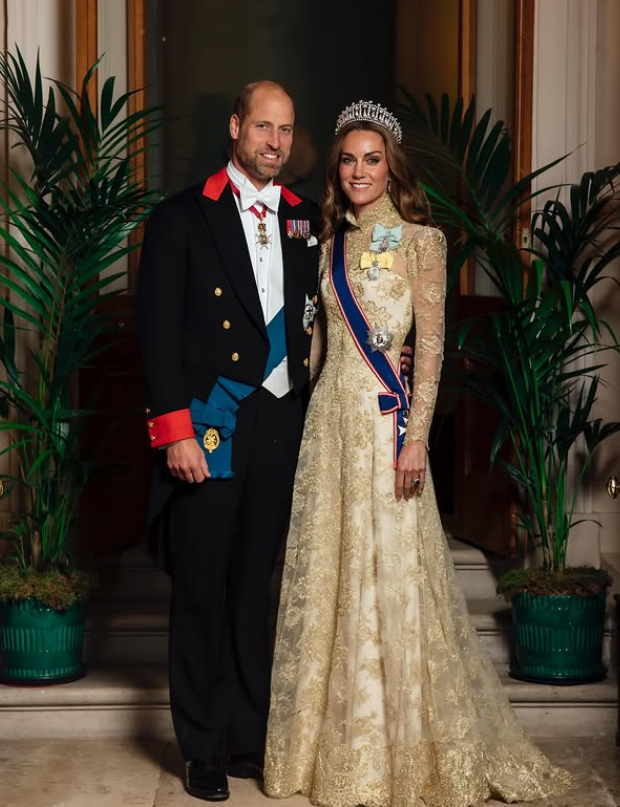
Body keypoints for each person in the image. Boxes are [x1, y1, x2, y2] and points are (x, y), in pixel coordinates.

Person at [263, 101, 574, 807]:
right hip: (328, 427)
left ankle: (394, 752)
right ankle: (329, 750)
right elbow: (317, 347)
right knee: (331, 574)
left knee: (390, 574)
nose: (360, 170)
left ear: (392, 168)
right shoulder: (327, 244)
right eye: (348, 159)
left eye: (373, 159)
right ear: (337, 170)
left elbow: (429, 350)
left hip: (382, 428)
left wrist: (414, 438)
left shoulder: (421, 242)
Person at [136, 81, 321, 802]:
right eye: (263, 127)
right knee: (202, 592)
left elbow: (318, 320)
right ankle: (202, 747)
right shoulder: (182, 216)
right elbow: (154, 334)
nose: (274, 141)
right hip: (210, 425)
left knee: (254, 589)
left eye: (286, 129)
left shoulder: (307, 220)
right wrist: (175, 431)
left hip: (278, 426)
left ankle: (248, 737)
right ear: (237, 127)